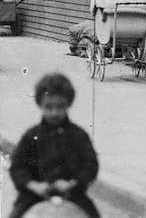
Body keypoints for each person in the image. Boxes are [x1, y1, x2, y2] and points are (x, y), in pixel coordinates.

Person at [9, 73, 100, 218]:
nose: (54, 112)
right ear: (40, 104)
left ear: (68, 103)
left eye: (60, 106)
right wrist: (33, 185)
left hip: (72, 193)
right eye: (48, 107)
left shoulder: (78, 135)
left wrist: (73, 183)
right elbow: (17, 166)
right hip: (35, 194)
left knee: (92, 214)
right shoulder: (31, 135)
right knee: (16, 214)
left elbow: (90, 165)